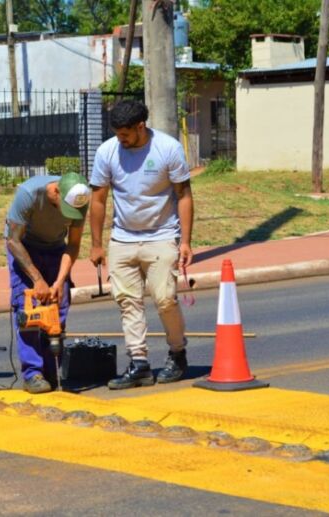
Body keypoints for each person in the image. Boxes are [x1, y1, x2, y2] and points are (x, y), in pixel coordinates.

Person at [88, 99, 194, 390]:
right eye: (116, 133)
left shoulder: (168, 148)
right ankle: (139, 364)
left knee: (165, 299)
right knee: (127, 302)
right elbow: (98, 200)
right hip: (122, 238)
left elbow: (183, 195)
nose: (120, 138)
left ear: (140, 126)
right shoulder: (107, 152)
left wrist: (185, 242)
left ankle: (177, 352)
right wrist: (96, 245)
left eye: (125, 133)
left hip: (161, 235)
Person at [5, 172, 91, 394]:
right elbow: (13, 241)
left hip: (55, 248)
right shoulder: (29, 194)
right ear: (55, 192)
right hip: (24, 247)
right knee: (29, 310)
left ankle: (51, 369)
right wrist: (38, 279)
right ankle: (33, 373)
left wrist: (59, 281)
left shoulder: (80, 199)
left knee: (57, 306)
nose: (69, 214)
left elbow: (72, 245)